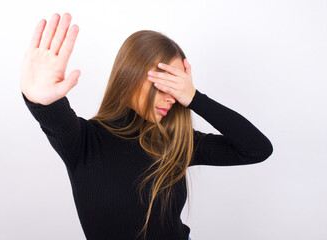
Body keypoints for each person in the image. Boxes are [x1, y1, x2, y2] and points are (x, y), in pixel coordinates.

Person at [20, 12, 273, 240]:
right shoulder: (84, 142)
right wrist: (41, 100)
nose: (173, 97)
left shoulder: (176, 143)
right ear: (132, 74)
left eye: (178, 86)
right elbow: (52, 113)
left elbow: (257, 149)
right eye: (165, 83)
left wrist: (195, 98)